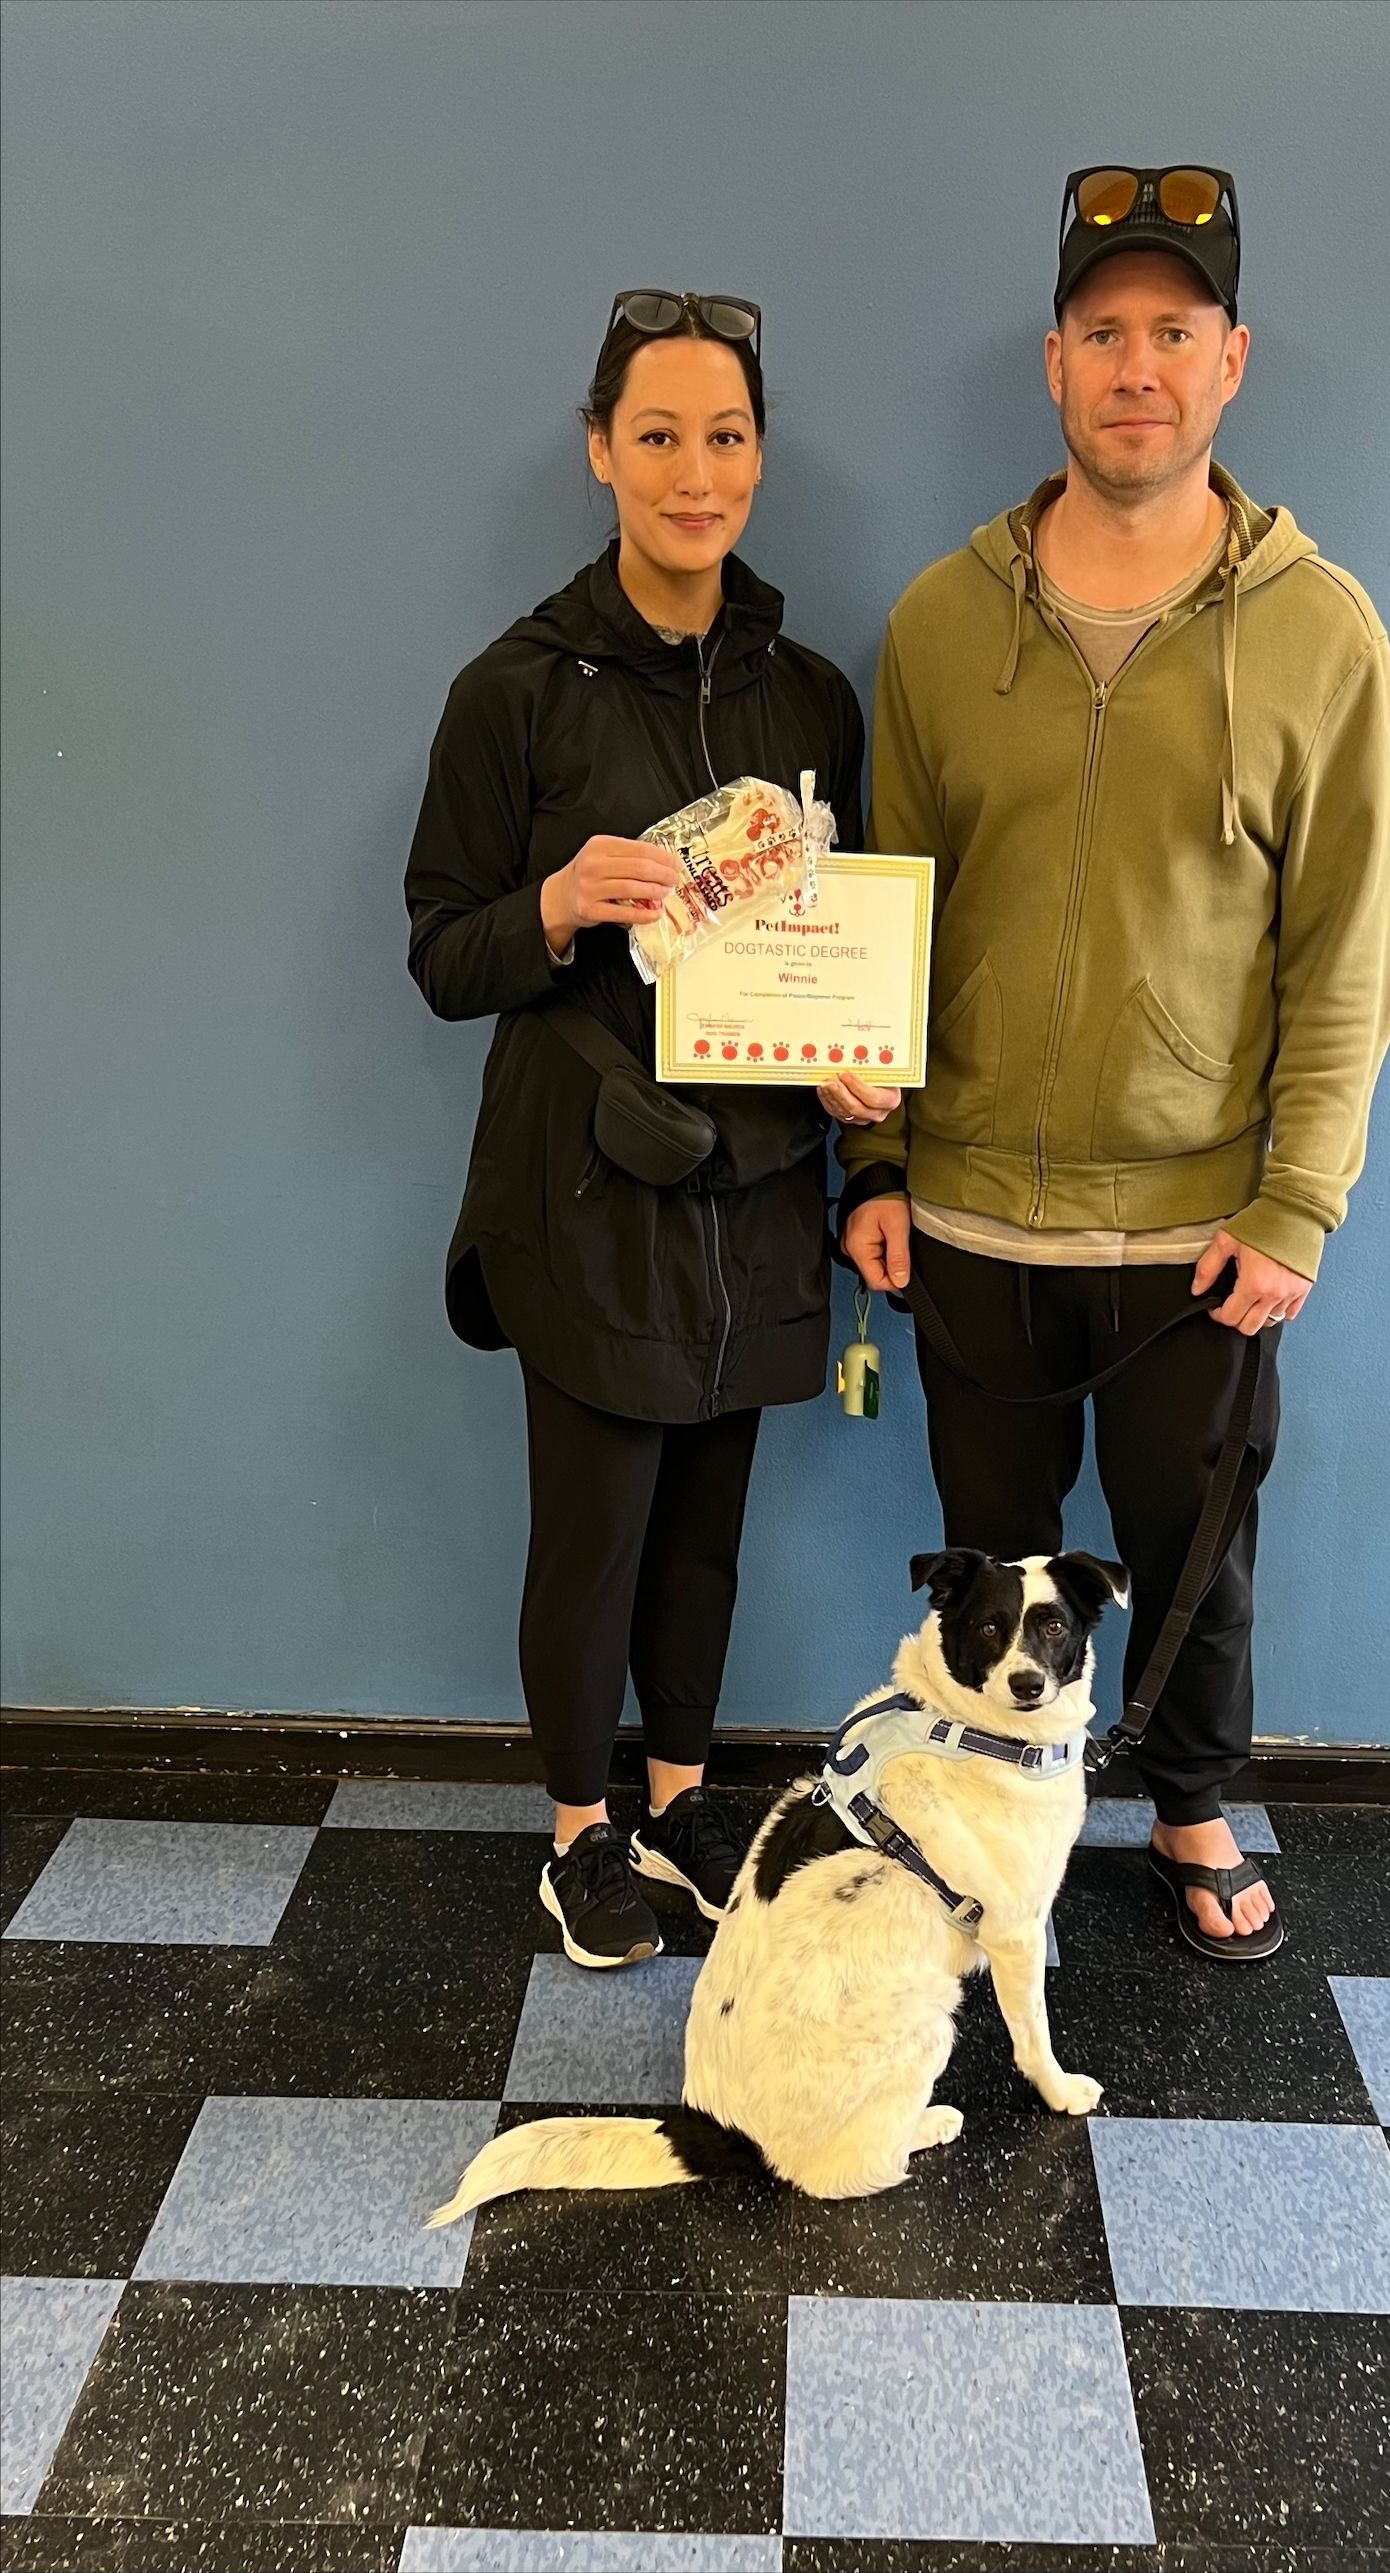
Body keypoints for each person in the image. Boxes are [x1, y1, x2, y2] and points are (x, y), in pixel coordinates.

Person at [832, 167, 1390, 1960]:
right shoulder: (938, 623)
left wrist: (1298, 1200)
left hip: (1197, 1231)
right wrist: (875, 1160)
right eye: (1101, 332)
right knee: (987, 1552)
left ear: (1229, 362)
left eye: (1172, 332)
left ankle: (1192, 1805)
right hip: (975, 1213)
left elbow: (1346, 950)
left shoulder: (1323, 633)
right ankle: (979, 1836)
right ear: (1054, 365)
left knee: (1194, 1554)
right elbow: (884, 914)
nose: (1134, 366)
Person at [406, 290, 893, 1967]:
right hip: (586, 1187)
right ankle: (580, 1830)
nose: (699, 473)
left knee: (708, 1523)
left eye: (730, 436)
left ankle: (679, 1800)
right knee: (596, 1526)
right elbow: (438, 953)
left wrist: (862, 1097)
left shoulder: (813, 698)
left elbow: (855, 953)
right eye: (663, 435)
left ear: (763, 457)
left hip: (760, 1186)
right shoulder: (516, 691)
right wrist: (548, 903)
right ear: (601, 448)